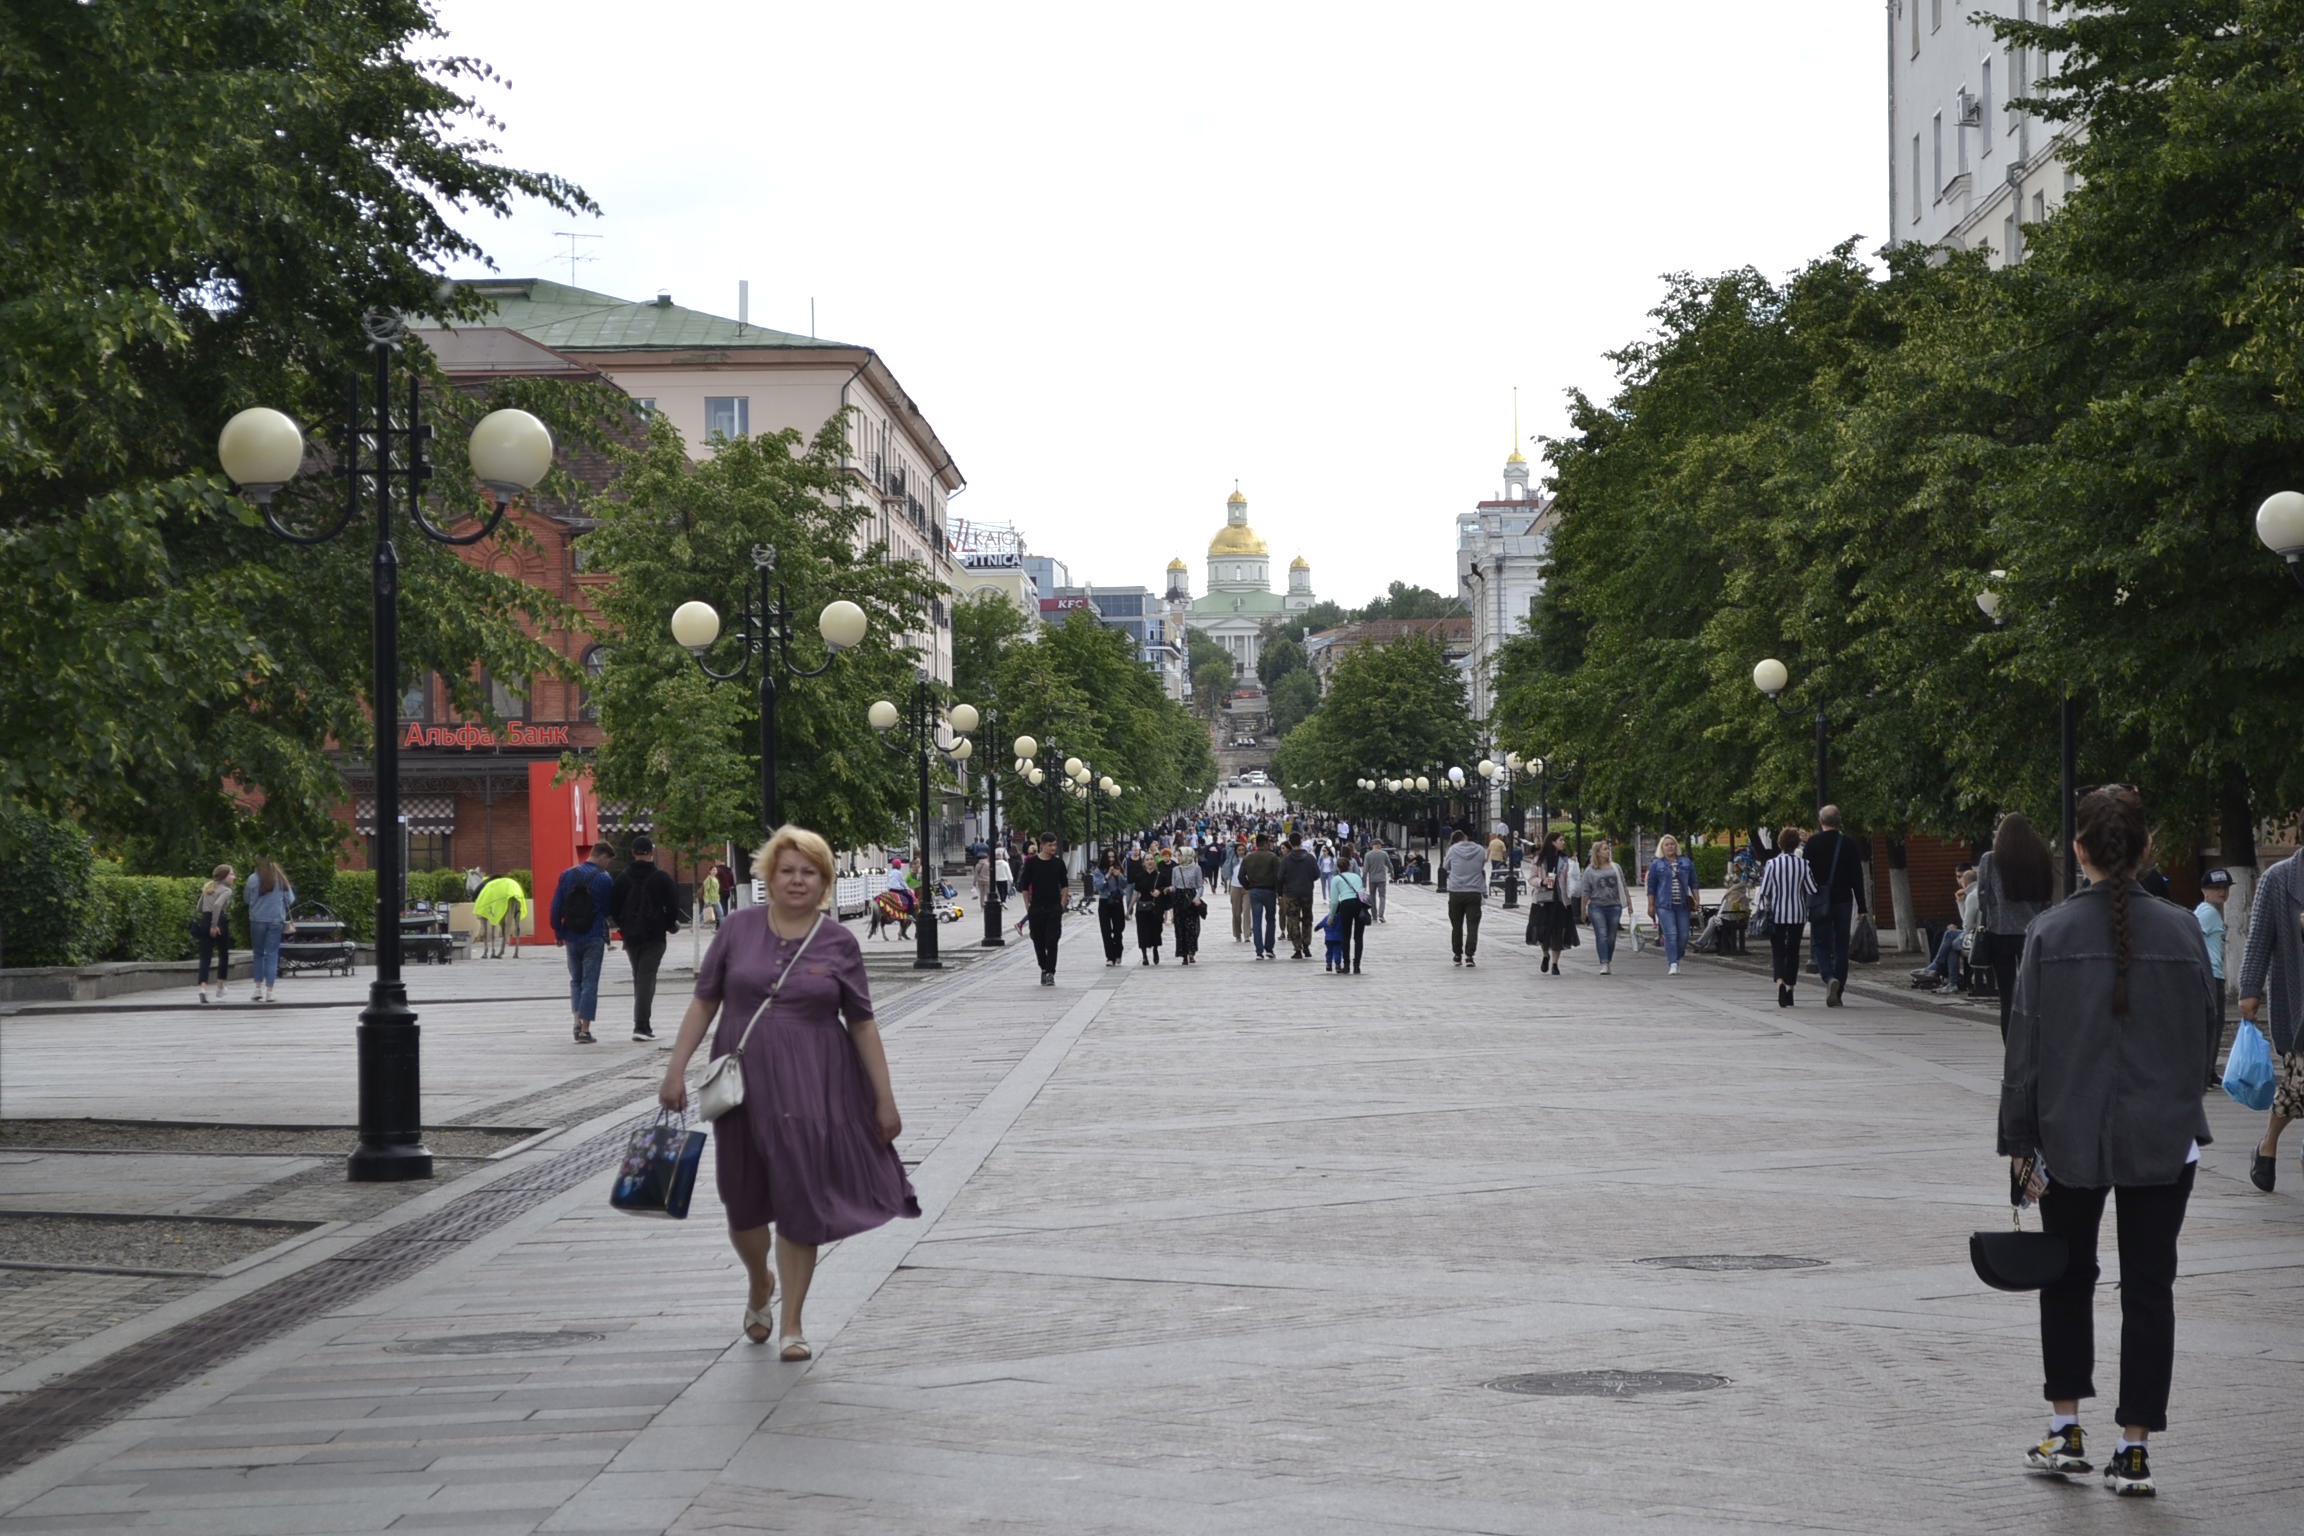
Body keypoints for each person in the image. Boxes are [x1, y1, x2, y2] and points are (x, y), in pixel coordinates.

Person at [2001, 786, 2216, 1497]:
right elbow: (2204, 1034)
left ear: (2079, 851)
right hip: (2165, 1136)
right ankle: (2135, 1448)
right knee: (2150, 1288)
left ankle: (2065, 1430)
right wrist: (2178, 1103)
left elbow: (2024, 1048)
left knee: (2066, 1278)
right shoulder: (2184, 931)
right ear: (2148, 849)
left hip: (2068, 1133)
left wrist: (2020, 1141)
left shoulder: (2050, 932)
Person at [659, 825, 915, 1360]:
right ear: (769, 877)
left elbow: (862, 1022)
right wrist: (674, 1071)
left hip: (814, 1086)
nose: (798, 880)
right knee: (742, 1200)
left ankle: (793, 1324)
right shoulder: (737, 929)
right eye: (788, 870)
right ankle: (760, 1280)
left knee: (802, 1195)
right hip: (742, 1087)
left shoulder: (839, 942)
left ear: (825, 881)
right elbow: (705, 1001)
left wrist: (884, 1098)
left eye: (810, 872)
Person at [2236, 841, 2304, 1192]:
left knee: (2296, 1091)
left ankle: (2269, 1146)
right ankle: (2268, 1143)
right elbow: (2259, 939)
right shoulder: (2279, 879)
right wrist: (2249, 989)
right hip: (2297, 1008)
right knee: (2298, 1087)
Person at [1975, 812, 2054, 1039]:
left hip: (1999, 933)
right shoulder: (2040, 858)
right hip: (2031, 932)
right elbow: (2047, 897)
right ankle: (2033, 1041)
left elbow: (1982, 896)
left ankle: (2011, 1047)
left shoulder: (1990, 860)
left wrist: (1993, 913)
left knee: (2007, 995)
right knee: (2033, 992)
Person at [609, 836, 682, 1043]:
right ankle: (641, 1026)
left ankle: (641, 1022)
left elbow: (613, 907)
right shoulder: (662, 878)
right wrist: (668, 924)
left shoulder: (623, 878)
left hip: (631, 937)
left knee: (639, 977)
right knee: (646, 978)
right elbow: (673, 907)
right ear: (651, 852)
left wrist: (624, 926)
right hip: (654, 935)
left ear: (633, 853)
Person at [551, 842, 616, 1045]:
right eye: (608, 861)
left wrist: (558, 931)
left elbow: (556, 906)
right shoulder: (604, 879)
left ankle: (576, 1021)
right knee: (590, 982)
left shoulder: (567, 875)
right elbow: (608, 909)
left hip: (571, 935)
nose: (607, 865)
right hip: (593, 935)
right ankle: (585, 1030)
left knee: (576, 980)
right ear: (602, 856)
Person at [1802, 807, 1869, 1006]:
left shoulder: (1812, 843)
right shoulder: (1848, 843)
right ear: (1839, 821)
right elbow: (1857, 876)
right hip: (1843, 900)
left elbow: (1805, 874)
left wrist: (1807, 898)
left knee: (1820, 943)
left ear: (1820, 820)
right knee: (1841, 946)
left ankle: (1829, 977)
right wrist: (1862, 906)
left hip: (1819, 900)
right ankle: (1838, 992)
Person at [1757, 827, 1815, 1007]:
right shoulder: (1803, 864)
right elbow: (1812, 888)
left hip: (1777, 913)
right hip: (1798, 913)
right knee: (1793, 952)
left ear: (1780, 843)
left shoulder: (1772, 864)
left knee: (1778, 951)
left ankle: (1780, 982)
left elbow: (1765, 890)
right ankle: (1790, 988)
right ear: (1797, 844)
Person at [1911, 867, 1976, 995]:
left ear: (1965, 882)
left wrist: (1960, 902)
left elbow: (1966, 924)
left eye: (1960, 878)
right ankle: (1939, 972)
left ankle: (1938, 971)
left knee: (1950, 939)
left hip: (1975, 936)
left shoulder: (1972, 896)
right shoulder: (1978, 892)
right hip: (1978, 933)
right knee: (1949, 935)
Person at [1017, 832, 1068, 985]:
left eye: (1055, 845)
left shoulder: (1058, 863)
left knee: (1052, 940)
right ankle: (1044, 968)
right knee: (1038, 940)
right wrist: (1027, 905)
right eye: (1050, 845)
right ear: (1042, 845)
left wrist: (1062, 904)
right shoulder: (1031, 863)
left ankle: (1050, 972)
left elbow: (1064, 885)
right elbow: (1024, 886)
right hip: (1037, 907)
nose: (1053, 848)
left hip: (1054, 907)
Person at [1645, 835, 1698, 977]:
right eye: (1667, 844)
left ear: (1676, 846)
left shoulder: (1686, 862)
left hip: (1682, 904)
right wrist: (1651, 905)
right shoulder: (1657, 865)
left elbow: (1693, 882)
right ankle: (1673, 963)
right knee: (1671, 934)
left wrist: (1697, 899)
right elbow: (1651, 887)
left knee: (1684, 935)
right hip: (1664, 905)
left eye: (1672, 844)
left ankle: (1677, 956)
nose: (1670, 847)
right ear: (1662, 848)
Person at [243, 859, 295, 1004]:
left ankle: (257, 989)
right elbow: (290, 899)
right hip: (276, 920)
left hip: (257, 919)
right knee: (272, 954)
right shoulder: (280, 879)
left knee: (258, 954)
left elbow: (246, 899)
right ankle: (270, 992)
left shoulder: (252, 878)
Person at [1524, 831, 1577, 975]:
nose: (1563, 842)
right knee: (1542, 931)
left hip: (1560, 901)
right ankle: (1545, 955)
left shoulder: (1565, 860)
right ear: (1553, 842)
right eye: (1561, 840)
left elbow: (1570, 879)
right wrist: (1542, 881)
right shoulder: (1539, 860)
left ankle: (1555, 963)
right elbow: (1531, 878)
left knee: (1558, 932)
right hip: (1542, 901)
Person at [1443, 828, 1488, 967]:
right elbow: (1481, 866)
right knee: (1473, 926)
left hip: (1456, 891)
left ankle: (1457, 955)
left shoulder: (1453, 850)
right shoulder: (1480, 850)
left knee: (1456, 926)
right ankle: (1469, 955)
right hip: (1474, 891)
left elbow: (1445, 866)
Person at [1581, 840, 1626, 975]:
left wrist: (1628, 904)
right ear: (1598, 853)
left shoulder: (1615, 867)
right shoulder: (1590, 870)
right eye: (1605, 849)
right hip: (1596, 906)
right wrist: (1583, 910)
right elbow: (1585, 891)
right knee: (1602, 934)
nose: (1608, 851)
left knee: (1611, 936)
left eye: (1608, 849)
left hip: (1614, 905)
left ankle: (1608, 959)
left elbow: (1622, 885)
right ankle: (1604, 962)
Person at [191, 864, 235, 1003]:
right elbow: (217, 905)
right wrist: (214, 925)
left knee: (205, 957)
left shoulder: (208, 887)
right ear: (224, 876)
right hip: (218, 921)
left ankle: (202, 988)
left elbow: (199, 907)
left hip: (205, 920)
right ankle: (220, 986)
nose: (234, 877)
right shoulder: (226, 890)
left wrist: (208, 921)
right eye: (231, 874)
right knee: (223, 954)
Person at [1239, 833, 1282, 959]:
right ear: (1266, 843)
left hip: (1254, 891)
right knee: (1270, 920)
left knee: (1256, 921)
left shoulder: (1248, 857)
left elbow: (1241, 876)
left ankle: (1259, 951)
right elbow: (1278, 877)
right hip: (1269, 891)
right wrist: (1279, 892)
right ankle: (1269, 948)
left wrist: (1248, 886)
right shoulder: (1273, 857)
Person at [1327, 848, 1369, 974]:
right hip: (1359, 904)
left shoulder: (1336, 879)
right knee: (1358, 937)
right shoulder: (1356, 876)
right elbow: (1362, 891)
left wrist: (1331, 916)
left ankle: (1346, 965)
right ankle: (1357, 965)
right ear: (1350, 866)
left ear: (1338, 868)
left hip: (1346, 904)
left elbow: (1334, 901)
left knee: (1346, 936)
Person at [1278, 835, 1321, 960]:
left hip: (1291, 893)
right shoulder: (1310, 858)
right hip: (1307, 892)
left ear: (1290, 843)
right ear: (1301, 842)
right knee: (1307, 918)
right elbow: (1317, 874)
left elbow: (1280, 877)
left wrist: (1280, 892)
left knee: (1293, 919)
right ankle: (1306, 944)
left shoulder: (1286, 860)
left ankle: (1297, 948)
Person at [473, 870, 529, 959]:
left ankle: (489, 951)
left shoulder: (487, 884)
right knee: (516, 925)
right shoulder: (509, 883)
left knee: (492, 923)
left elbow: (474, 894)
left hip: (500, 899)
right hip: (517, 895)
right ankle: (515, 952)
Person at [1131, 846, 1171, 964]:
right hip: (1142, 907)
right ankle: (1144, 955)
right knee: (1142, 931)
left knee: (1156, 930)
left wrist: (1160, 891)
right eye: (1147, 860)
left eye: (1151, 859)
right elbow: (1135, 893)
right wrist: (1129, 909)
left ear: (1155, 861)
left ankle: (1155, 949)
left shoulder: (1160, 876)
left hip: (1156, 907)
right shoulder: (1139, 876)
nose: (1149, 861)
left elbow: (1167, 889)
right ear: (1144, 863)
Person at [1170, 844, 1205, 964]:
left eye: (1180, 855)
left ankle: (1191, 951)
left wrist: (1197, 897)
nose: (1178, 857)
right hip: (1179, 899)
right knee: (1180, 927)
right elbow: (1174, 885)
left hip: (1190, 898)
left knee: (1192, 927)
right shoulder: (1175, 869)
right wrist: (1169, 889)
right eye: (1178, 855)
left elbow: (1200, 885)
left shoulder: (1196, 868)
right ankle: (1183, 954)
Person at [1093, 852, 1130, 966]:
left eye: (1113, 857)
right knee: (1106, 930)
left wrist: (1119, 875)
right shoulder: (1099, 871)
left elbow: (1125, 884)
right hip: (1105, 901)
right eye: (1109, 857)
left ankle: (1118, 953)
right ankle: (1110, 957)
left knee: (1118, 929)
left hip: (1117, 901)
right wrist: (1107, 875)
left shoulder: (1120, 869)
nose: (1111, 859)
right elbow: (1098, 886)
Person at [1363, 840, 1392, 923]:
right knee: (1382, 896)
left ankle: (1374, 915)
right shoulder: (1384, 854)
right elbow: (1389, 864)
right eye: (1380, 845)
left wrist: (1364, 881)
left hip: (1372, 879)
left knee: (1372, 897)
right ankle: (1381, 915)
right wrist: (1392, 872)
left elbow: (1365, 869)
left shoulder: (1368, 855)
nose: (1381, 846)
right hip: (1382, 879)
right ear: (1377, 845)